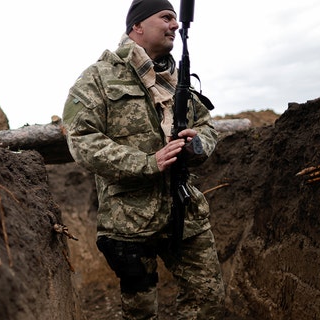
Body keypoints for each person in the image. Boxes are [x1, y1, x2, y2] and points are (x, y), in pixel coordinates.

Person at [62, 0, 224, 318]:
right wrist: (148, 162)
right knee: (141, 313)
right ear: (137, 26)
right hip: (129, 223)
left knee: (208, 300)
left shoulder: (179, 80)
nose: (175, 25)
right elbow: (81, 139)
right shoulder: (99, 77)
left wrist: (198, 146)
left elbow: (206, 126)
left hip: (185, 212)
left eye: (177, 19)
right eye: (166, 17)